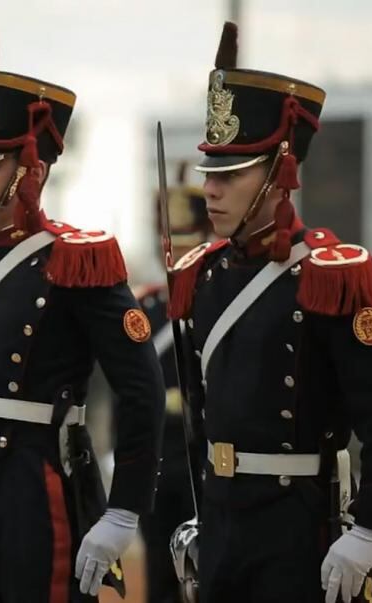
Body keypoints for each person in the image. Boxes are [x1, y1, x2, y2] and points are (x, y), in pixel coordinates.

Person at [167, 22, 372, 603]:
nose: (212, 189)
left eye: (230, 175)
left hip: (297, 527)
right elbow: (202, 418)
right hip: (221, 524)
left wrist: (369, 529)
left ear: (279, 174)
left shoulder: (330, 276)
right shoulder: (202, 277)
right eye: (211, 173)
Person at [0, 29, 165, 602]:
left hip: (35, 483)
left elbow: (141, 389)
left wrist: (123, 511)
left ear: (27, 169)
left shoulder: (75, 261)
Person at [133, 163, 210, 603]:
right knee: (161, 574)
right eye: (171, 243)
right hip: (159, 456)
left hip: (205, 451)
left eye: (186, 242)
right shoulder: (146, 305)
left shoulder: (217, 298)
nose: (178, 255)